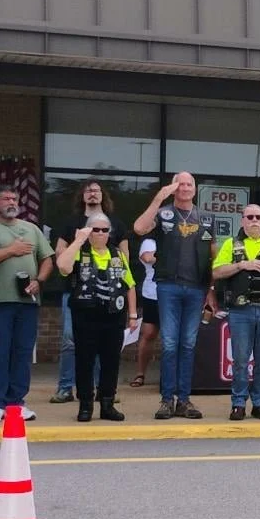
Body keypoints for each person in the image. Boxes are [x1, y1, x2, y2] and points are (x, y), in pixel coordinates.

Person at [0, 187, 54, 423]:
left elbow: (47, 259)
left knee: (22, 353)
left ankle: (16, 403)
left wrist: (39, 280)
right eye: (6, 199)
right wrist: (10, 251)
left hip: (27, 302)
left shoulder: (31, 229)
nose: (12, 202)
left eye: (15, 198)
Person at [130, 173, 213, 418]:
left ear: (195, 189)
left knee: (188, 344)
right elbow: (139, 228)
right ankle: (167, 400)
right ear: (173, 187)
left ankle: (184, 400)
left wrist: (212, 289)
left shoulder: (206, 217)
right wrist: (159, 197)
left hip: (196, 288)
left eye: (189, 184)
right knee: (169, 344)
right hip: (168, 287)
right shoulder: (163, 213)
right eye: (180, 184)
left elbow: (212, 253)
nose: (185, 188)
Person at [211, 203, 260, 421]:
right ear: (243, 220)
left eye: (258, 217)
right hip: (240, 311)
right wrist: (242, 265)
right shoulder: (231, 244)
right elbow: (217, 272)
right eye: (250, 217)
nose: (254, 221)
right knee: (240, 360)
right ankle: (238, 403)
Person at [51, 181, 126, 405]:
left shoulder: (117, 224)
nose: (92, 194)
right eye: (88, 190)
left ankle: (103, 390)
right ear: (82, 196)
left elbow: (125, 257)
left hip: (109, 296)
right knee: (70, 340)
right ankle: (65, 387)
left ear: (103, 195)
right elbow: (59, 254)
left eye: (96, 190)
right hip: (75, 292)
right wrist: (79, 239)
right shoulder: (70, 223)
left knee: (105, 345)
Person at [56, 213, 135, 422]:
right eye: (95, 230)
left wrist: (133, 315)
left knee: (111, 361)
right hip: (85, 315)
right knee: (84, 360)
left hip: (113, 316)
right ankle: (85, 405)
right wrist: (79, 239)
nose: (100, 234)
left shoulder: (117, 254)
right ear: (88, 231)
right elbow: (63, 266)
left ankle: (107, 404)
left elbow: (130, 285)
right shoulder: (79, 252)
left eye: (104, 230)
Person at [130, 235, 160, 388]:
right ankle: (140, 373)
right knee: (149, 333)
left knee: (173, 337)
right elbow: (148, 257)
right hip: (153, 294)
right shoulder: (150, 241)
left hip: (175, 293)